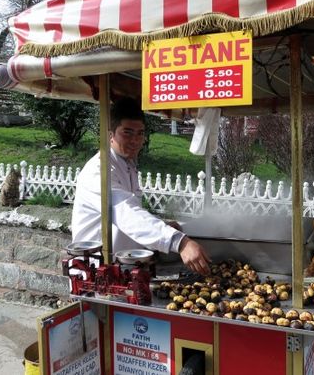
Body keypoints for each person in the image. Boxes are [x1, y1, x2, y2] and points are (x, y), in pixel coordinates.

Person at [72, 97, 211, 275]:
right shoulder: (99, 171)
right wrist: (179, 242)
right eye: (127, 132)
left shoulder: (127, 165)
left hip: (124, 267)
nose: (135, 140)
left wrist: (162, 225)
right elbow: (126, 214)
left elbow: (134, 213)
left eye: (140, 133)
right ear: (110, 134)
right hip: (96, 271)